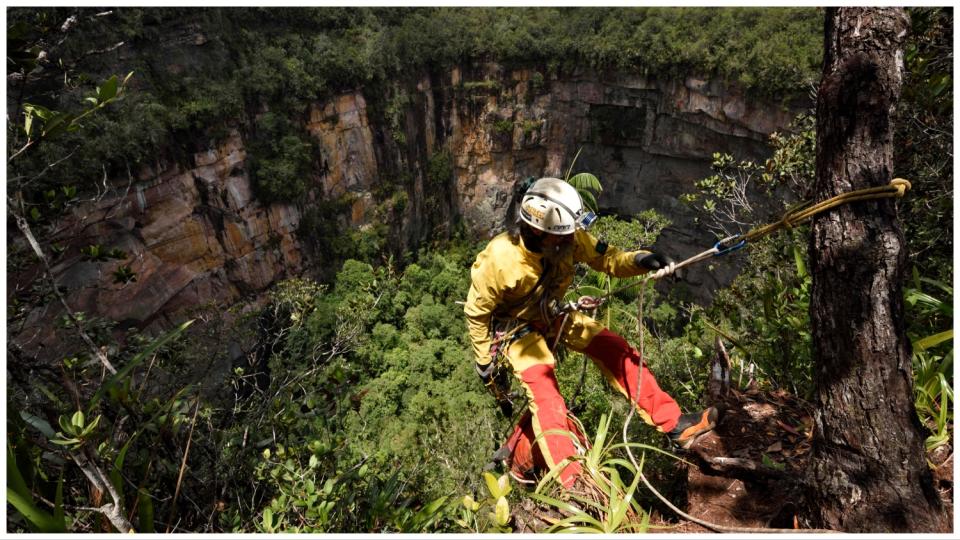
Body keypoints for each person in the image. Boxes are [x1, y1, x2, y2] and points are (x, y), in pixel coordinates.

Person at [464, 177, 717, 488]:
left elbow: (607, 259)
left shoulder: (568, 240)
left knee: (614, 348)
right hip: (515, 330)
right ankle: (574, 484)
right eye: (561, 238)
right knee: (545, 393)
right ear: (537, 232)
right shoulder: (499, 259)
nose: (571, 241)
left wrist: (644, 259)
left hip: (551, 315)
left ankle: (675, 425)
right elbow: (477, 314)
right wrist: (485, 362)